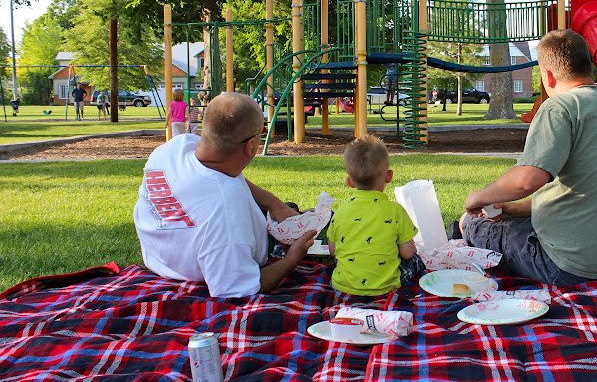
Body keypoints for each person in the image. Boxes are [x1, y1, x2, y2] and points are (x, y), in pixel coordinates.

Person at [454, 29, 597, 287]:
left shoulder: (560, 106)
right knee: (507, 222)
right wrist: (513, 209)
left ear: (547, 75)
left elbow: (528, 180)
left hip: (571, 265)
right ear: (588, 66)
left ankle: (461, 234)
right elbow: (588, 192)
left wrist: (478, 198)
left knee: (470, 222)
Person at [133, 92, 315, 297]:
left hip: (161, 254)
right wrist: (291, 259)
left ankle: (288, 210)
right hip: (209, 260)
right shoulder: (227, 216)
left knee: (288, 209)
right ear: (251, 146)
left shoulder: (174, 148)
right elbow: (240, 289)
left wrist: (275, 204)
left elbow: (223, 176)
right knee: (308, 222)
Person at [328, 134, 425, 295]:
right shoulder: (395, 211)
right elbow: (408, 253)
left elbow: (333, 251)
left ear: (349, 182)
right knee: (416, 261)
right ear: (389, 176)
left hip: (342, 286)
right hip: (386, 286)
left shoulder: (340, 212)